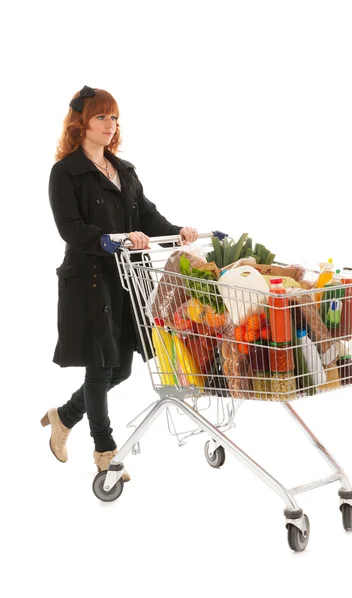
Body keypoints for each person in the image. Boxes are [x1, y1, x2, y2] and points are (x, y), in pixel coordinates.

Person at [42, 85, 199, 481]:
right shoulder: (66, 173)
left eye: (114, 118)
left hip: (129, 282)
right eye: (101, 117)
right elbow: (71, 229)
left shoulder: (124, 170)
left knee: (122, 370)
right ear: (81, 123)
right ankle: (104, 450)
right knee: (99, 371)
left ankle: (63, 416)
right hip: (90, 283)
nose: (110, 125)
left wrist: (176, 231)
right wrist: (118, 239)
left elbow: (146, 216)